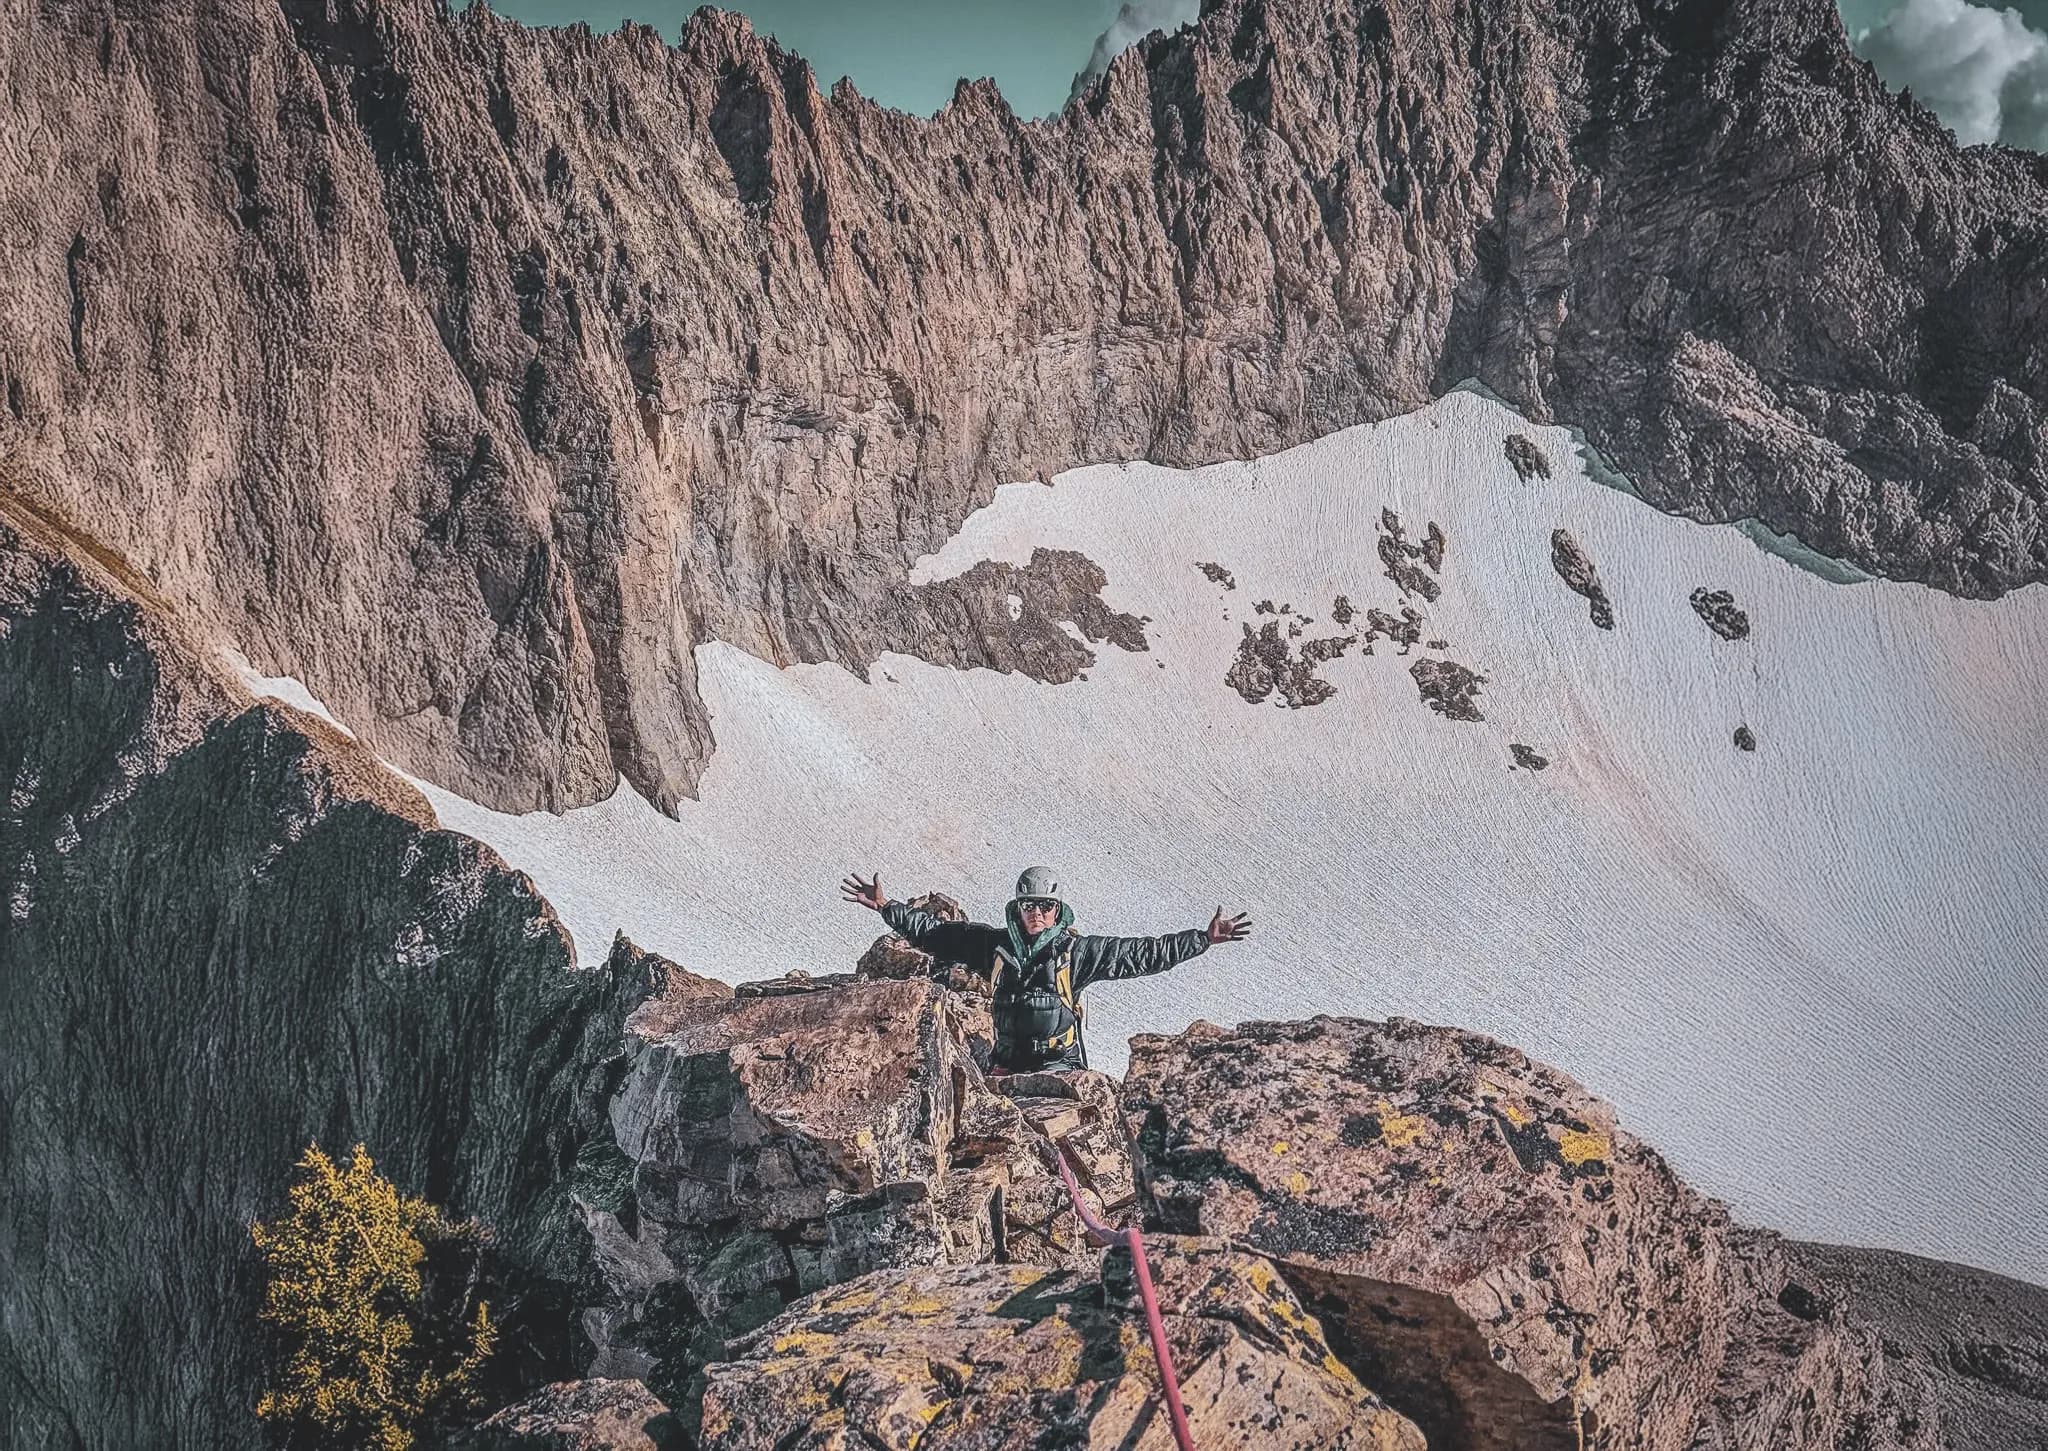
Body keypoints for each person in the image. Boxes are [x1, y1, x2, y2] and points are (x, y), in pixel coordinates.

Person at [841, 865, 1252, 1073]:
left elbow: (1142, 954)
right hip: (1005, 1067)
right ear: (1017, 907)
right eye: (1029, 905)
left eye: (1045, 906)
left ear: (1058, 910)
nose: (1037, 913)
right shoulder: (993, 946)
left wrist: (1202, 938)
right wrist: (887, 908)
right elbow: (937, 935)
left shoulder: (1077, 953)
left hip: (1063, 1071)